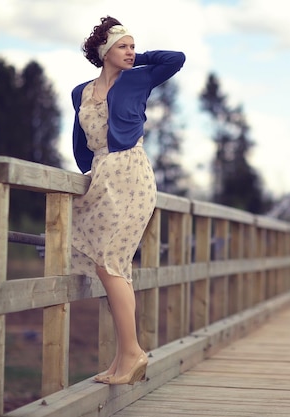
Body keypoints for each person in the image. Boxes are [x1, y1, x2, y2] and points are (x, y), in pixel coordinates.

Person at [70, 16, 185, 385]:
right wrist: (85, 173)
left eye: (133, 46)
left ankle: (133, 353)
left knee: (110, 264)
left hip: (132, 174)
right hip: (102, 175)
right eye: (123, 46)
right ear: (104, 52)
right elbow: (80, 139)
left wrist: (138, 57)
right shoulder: (80, 92)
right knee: (115, 265)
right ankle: (122, 361)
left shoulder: (138, 77)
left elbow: (176, 59)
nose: (131, 52)